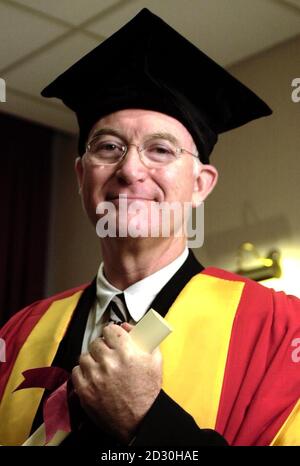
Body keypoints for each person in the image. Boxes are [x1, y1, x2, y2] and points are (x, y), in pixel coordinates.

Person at [0, 8, 299, 447]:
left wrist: (150, 423)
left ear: (201, 185)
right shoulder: (19, 332)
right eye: (109, 146)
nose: (130, 170)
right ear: (83, 176)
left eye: (160, 149)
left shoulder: (280, 331)